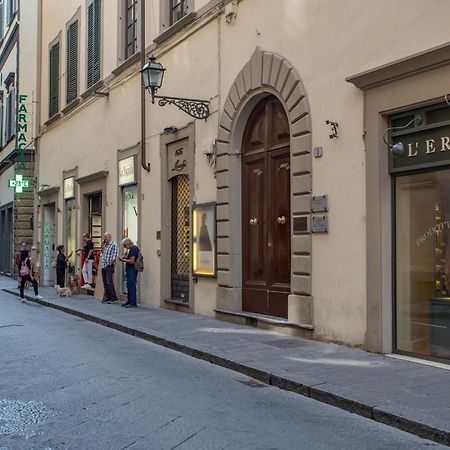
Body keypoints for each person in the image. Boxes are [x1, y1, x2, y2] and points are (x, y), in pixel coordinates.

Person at [119, 238, 140, 308]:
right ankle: (129, 301)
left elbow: (132, 261)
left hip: (132, 269)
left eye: (124, 245)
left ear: (128, 243)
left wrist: (123, 260)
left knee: (131, 285)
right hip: (130, 269)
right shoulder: (131, 249)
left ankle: (133, 302)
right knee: (129, 285)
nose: (124, 247)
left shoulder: (133, 249)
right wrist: (125, 256)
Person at [101, 232, 118, 304]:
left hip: (109, 265)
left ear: (110, 237)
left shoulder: (114, 244)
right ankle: (107, 297)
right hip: (104, 265)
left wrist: (111, 263)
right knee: (105, 282)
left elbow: (115, 254)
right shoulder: (105, 245)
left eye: (106, 237)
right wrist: (102, 244)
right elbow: (103, 253)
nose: (104, 239)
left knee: (109, 282)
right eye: (104, 237)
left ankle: (114, 298)